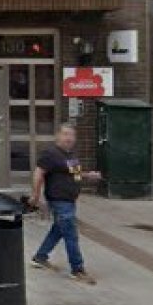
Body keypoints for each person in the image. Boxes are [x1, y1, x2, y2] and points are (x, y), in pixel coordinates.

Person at [27, 121, 102, 284]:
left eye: (72, 135)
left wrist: (89, 175)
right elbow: (38, 173)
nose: (69, 138)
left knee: (58, 230)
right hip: (59, 199)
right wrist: (36, 195)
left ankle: (40, 257)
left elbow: (75, 174)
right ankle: (77, 269)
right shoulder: (50, 153)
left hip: (69, 200)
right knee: (71, 234)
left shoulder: (71, 155)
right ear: (58, 136)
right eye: (65, 134)